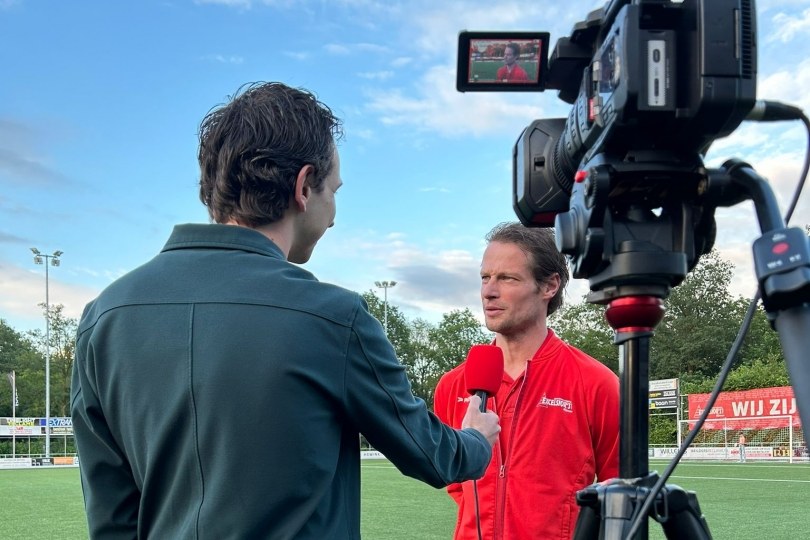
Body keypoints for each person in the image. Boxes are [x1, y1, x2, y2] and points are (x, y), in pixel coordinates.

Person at [70, 81, 500, 540]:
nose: (333, 214)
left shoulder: (103, 317)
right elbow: (433, 456)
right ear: (302, 187)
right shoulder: (334, 317)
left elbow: (112, 519)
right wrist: (475, 437)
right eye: (333, 190)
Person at [434, 222, 620, 540]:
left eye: (507, 278)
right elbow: (457, 483)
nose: (489, 291)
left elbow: (618, 490)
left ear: (549, 286)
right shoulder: (454, 385)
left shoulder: (596, 383)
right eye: (485, 277)